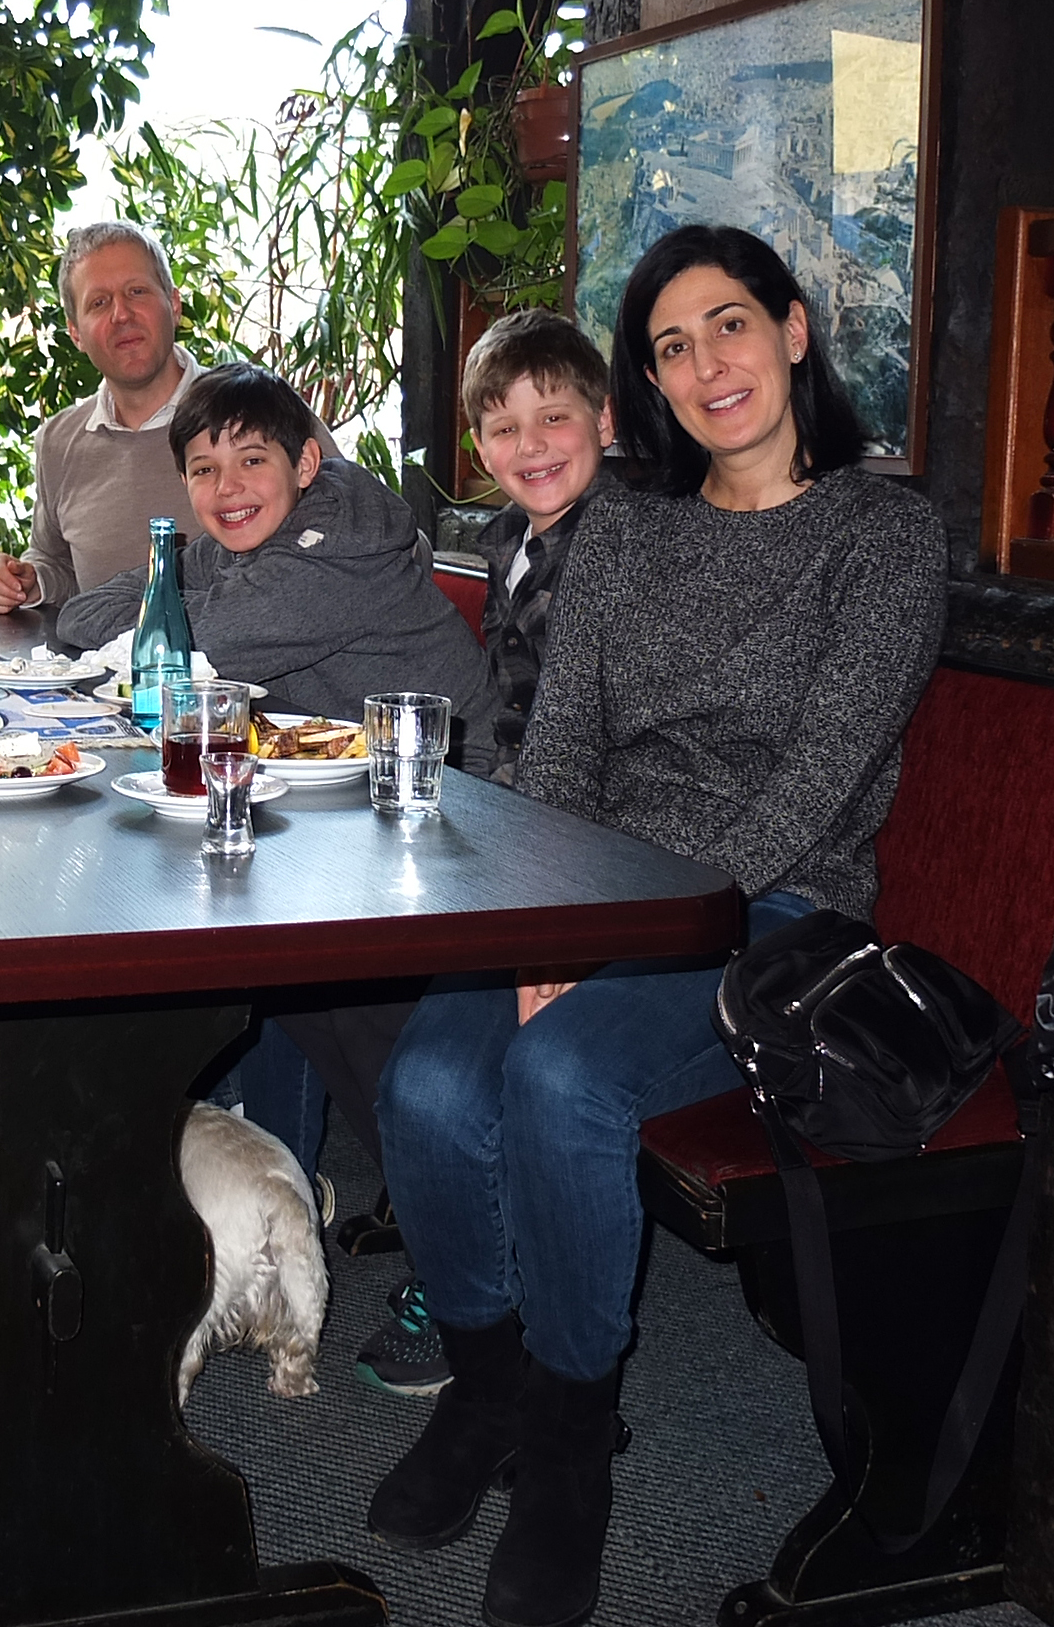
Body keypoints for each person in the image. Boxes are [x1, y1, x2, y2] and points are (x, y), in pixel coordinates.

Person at [365, 224, 943, 1627]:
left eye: (727, 324)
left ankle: (572, 1440)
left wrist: (636, 931)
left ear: (792, 331)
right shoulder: (628, 527)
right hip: (591, 885)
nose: (705, 364)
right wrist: (541, 926)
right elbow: (560, 752)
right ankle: (489, 1387)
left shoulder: (881, 535)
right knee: (427, 1079)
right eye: (671, 346)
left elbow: (817, 781)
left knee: (564, 1075)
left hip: (778, 907)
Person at [344, 305, 629, 1400]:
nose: (530, 444)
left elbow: (601, 741)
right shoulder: (509, 541)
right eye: (503, 427)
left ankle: (489, 1287)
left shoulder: (624, 545)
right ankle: (457, 1257)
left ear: (605, 420)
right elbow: (511, 718)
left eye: (554, 417)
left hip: (597, 853)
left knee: (470, 1055)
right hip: (523, 827)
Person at [55, 361, 497, 769]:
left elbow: (204, 647)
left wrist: (183, 611)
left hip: (457, 778)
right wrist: (201, 607)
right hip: (351, 768)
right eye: (205, 470)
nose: (228, 487)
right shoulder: (233, 543)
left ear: (304, 465)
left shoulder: (335, 555)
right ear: (184, 481)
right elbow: (81, 613)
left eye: (252, 461)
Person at [0, 224, 337, 614]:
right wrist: (28, 581)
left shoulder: (261, 408)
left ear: (174, 304)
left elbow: (347, 525)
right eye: (99, 302)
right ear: (75, 333)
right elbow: (57, 561)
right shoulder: (59, 441)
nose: (121, 314)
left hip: (257, 647)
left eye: (137, 292)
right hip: (105, 648)